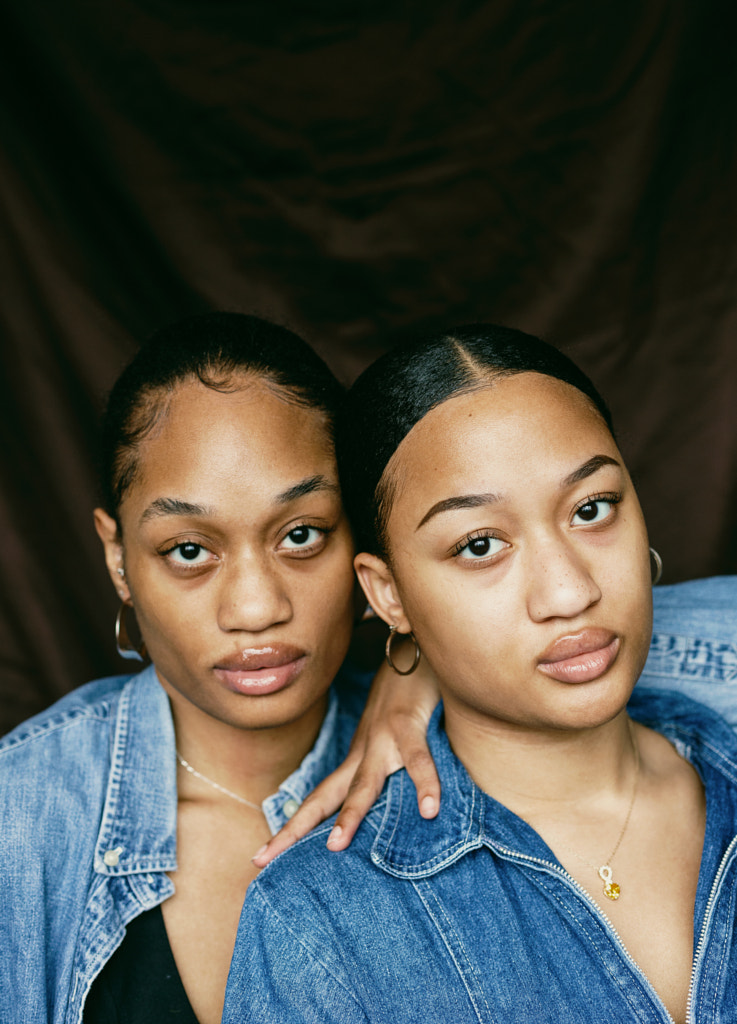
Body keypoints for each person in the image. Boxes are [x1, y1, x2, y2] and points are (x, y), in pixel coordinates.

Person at [223, 323, 737, 1023]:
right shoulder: (322, 921)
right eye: (479, 545)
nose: (568, 592)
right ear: (386, 594)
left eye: (591, 509)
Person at [0, 312, 440, 1024]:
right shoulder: (18, 819)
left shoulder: (449, 766)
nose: (256, 607)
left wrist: (427, 670)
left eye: (301, 535)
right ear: (118, 559)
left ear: (362, 540)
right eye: (188, 550)